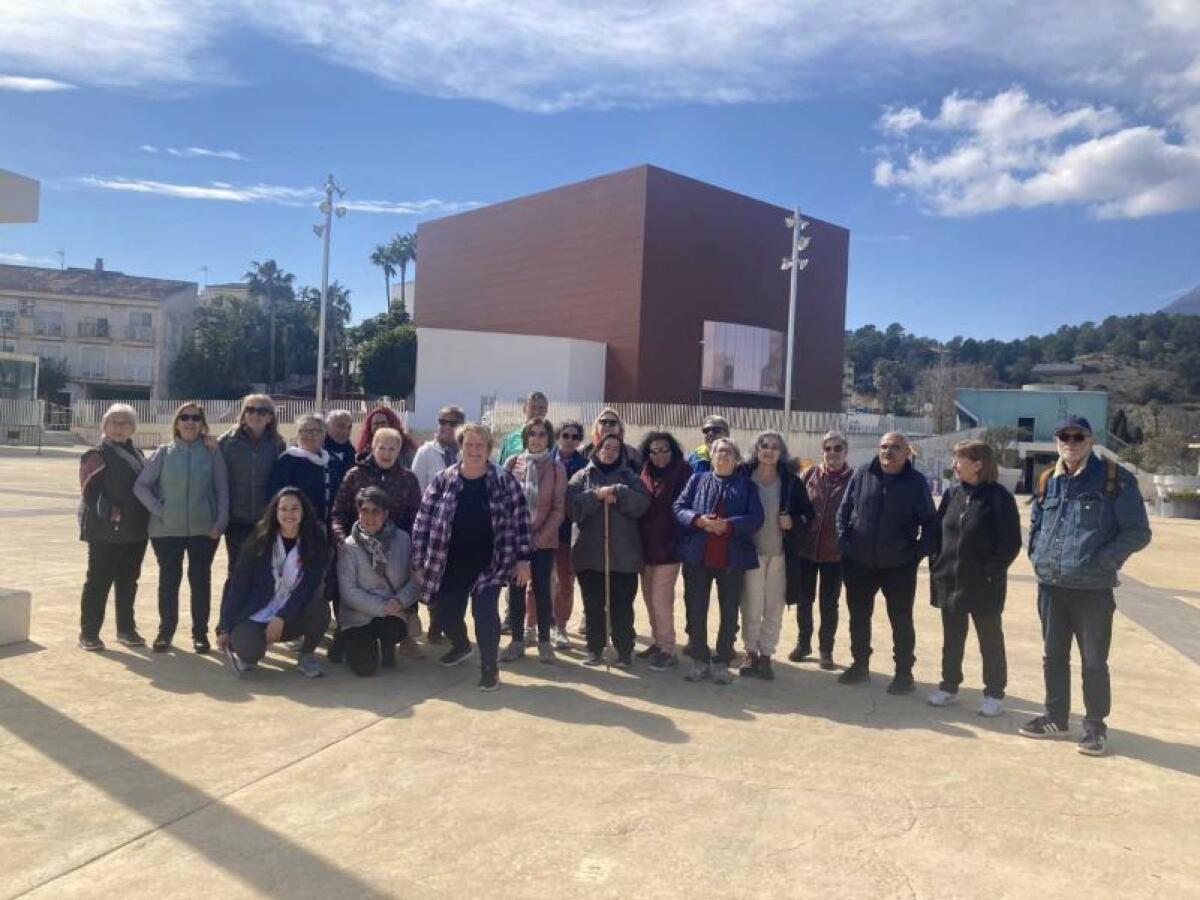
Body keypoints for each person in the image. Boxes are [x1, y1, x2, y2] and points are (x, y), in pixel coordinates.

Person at [1020, 416, 1151, 756]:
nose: (1071, 441)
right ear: (1056, 440)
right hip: (1051, 585)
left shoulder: (1113, 479)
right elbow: (1036, 522)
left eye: (1079, 436)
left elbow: (1138, 532)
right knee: (1053, 655)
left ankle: (1094, 727)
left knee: (1093, 660)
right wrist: (1037, 555)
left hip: (1092, 590)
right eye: (1065, 435)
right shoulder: (1048, 479)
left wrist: (1105, 561)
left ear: (1091, 441)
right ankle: (1056, 717)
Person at [411, 423, 532, 691]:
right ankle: (462, 645)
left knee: (485, 613)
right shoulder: (443, 480)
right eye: (469, 444)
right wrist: (418, 563)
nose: (475, 450)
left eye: (480, 445)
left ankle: (490, 668)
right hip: (448, 562)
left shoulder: (504, 480)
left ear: (489, 449)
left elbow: (521, 520)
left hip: (490, 563)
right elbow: (423, 522)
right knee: (444, 613)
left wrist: (523, 560)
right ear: (461, 447)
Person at [835, 431, 937, 693]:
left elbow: (930, 523)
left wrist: (917, 554)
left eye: (895, 447)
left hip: (899, 565)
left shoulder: (916, 482)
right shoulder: (862, 474)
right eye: (884, 446)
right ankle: (859, 665)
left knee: (901, 619)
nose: (888, 452)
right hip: (859, 561)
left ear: (906, 453)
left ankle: (904, 673)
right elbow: (844, 511)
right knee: (858, 616)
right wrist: (844, 542)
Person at [926, 440, 1022, 717]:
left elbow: (1010, 543)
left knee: (989, 639)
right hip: (950, 581)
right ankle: (948, 686)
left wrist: (991, 572)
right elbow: (938, 531)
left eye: (959, 460)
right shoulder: (952, 494)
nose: (954, 465)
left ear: (978, 464)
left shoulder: (999, 497)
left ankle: (994, 693)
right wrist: (936, 563)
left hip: (983, 584)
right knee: (952, 637)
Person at [134, 402, 229, 654]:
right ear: (176, 423)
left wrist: (219, 523)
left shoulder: (211, 452)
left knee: (200, 581)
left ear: (202, 424)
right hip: (166, 530)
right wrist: (160, 509)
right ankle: (166, 631)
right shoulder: (164, 452)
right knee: (169, 581)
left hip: (203, 530)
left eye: (195, 418)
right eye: (184, 417)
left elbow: (222, 490)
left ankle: (200, 634)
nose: (190, 422)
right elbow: (141, 486)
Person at [673, 437, 764, 684]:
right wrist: (698, 520)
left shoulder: (747, 486)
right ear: (711, 456)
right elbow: (679, 507)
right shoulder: (697, 479)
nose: (722, 456)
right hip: (698, 557)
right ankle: (700, 659)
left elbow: (756, 518)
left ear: (736, 459)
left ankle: (723, 660)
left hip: (731, 559)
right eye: (718, 451)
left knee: (729, 611)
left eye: (728, 452)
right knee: (696, 608)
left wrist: (728, 525)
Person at [216, 487, 331, 678]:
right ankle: (249, 645)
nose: (289, 514)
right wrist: (225, 627)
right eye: (283, 509)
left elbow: (307, 587)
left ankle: (307, 655)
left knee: (319, 609)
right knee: (249, 651)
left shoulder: (314, 542)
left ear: (303, 512)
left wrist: (282, 617)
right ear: (275, 512)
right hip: (257, 611)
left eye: (295, 509)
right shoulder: (258, 540)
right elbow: (237, 586)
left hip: (291, 614)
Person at [331, 427, 423, 655]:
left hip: (397, 544)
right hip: (359, 544)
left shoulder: (408, 479)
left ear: (399, 451)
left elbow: (417, 516)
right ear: (372, 447)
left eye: (393, 448)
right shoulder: (355, 474)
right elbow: (338, 512)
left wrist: (413, 548)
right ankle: (346, 629)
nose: (387, 452)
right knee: (350, 584)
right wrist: (341, 540)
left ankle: (398, 634)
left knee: (400, 583)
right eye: (382, 447)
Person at [568, 434, 651, 667]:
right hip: (589, 554)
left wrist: (620, 494)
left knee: (622, 606)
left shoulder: (630, 477)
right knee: (593, 605)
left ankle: (624, 650)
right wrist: (595, 496)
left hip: (623, 556)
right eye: (606, 447)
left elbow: (643, 504)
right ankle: (594, 648)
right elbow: (571, 507)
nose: (610, 451)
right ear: (598, 450)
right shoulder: (582, 475)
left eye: (615, 448)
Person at [739, 431, 814, 680]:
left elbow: (808, 516)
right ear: (756, 449)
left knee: (774, 608)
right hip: (750, 554)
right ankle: (750, 653)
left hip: (781, 556)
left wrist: (793, 521)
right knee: (751, 607)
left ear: (781, 453)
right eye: (764, 445)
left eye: (774, 446)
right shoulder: (743, 476)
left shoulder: (791, 481)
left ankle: (766, 656)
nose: (768, 450)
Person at [77, 403, 151, 651]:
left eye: (125, 423)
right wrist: (115, 515)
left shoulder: (139, 454)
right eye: (115, 423)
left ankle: (126, 629)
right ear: (105, 426)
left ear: (133, 428)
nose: (120, 428)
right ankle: (88, 633)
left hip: (136, 532)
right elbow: (90, 493)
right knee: (98, 582)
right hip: (105, 532)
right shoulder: (95, 455)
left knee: (129, 582)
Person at [500, 417, 567, 664]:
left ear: (549, 438)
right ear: (526, 437)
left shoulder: (556, 468)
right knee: (516, 592)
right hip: (516, 542)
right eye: (532, 434)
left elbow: (559, 509)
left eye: (541, 434)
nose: (536, 438)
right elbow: (504, 504)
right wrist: (517, 539)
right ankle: (517, 641)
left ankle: (544, 642)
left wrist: (538, 539)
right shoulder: (513, 462)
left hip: (543, 542)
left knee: (541, 591)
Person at [336, 486, 422, 677]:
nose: (370, 517)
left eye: (376, 512)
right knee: (365, 668)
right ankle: (345, 641)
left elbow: (415, 581)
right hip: (358, 616)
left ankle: (388, 646)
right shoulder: (349, 547)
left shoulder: (403, 540)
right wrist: (382, 607)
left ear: (386, 514)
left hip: (393, 611)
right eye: (364, 511)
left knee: (393, 628)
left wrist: (400, 601)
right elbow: (349, 592)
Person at [790, 430, 853, 669]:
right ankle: (803, 643)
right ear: (822, 452)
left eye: (838, 448)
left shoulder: (854, 478)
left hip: (835, 554)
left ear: (846, 452)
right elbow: (795, 505)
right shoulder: (809, 475)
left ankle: (826, 649)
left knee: (829, 603)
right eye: (828, 448)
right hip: (806, 550)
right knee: (804, 600)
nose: (832, 453)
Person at [635, 430, 691, 671]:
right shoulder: (644, 473)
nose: (659, 455)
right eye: (654, 451)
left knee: (661, 599)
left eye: (664, 450)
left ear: (673, 451)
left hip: (669, 548)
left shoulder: (683, 472)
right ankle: (658, 642)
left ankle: (668, 648)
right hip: (645, 546)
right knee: (649, 598)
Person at [218, 394, 286, 574]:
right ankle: (232, 604)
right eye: (250, 410)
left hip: (266, 519)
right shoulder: (227, 442)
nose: (255, 415)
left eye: (262, 411)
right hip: (236, 518)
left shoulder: (278, 444)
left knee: (263, 572)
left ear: (270, 417)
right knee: (236, 571)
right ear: (243, 414)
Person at [551, 418, 588, 646]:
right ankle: (533, 626)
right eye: (566, 435)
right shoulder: (544, 460)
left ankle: (560, 627)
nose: (570, 440)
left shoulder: (585, 465)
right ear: (558, 437)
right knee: (538, 583)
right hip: (544, 530)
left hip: (568, 531)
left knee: (566, 582)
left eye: (575, 436)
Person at [269, 413, 332, 521]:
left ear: (323, 434)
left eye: (314, 431)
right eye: (303, 431)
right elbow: (276, 495)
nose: (309, 435)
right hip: (296, 524)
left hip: (325, 524)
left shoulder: (329, 461)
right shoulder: (287, 461)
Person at [412, 405, 466, 492]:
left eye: (453, 424)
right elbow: (415, 487)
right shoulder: (425, 452)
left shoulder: (468, 452)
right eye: (442, 422)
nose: (447, 427)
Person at [355, 405, 417, 469]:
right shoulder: (364, 451)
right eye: (376, 424)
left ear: (391, 424)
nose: (379, 426)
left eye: (383, 423)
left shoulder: (406, 448)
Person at [497, 391, 549, 464]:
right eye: (532, 407)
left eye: (540, 408)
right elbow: (501, 468)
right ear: (524, 409)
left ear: (546, 410)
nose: (536, 412)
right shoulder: (511, 439)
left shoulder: (552, 439)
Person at [323, 409, 357, 511]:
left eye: (349, 427)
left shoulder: (354, 455)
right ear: (327, 426)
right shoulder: (318, 454)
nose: (345, 431)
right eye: (340, 426)